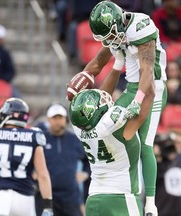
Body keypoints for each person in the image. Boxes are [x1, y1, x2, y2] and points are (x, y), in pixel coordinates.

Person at [81, 1, 168, 215]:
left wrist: (137, 101)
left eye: (110, 35)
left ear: (118, 23)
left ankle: (150, 203)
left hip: (152, 87)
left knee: (146, 145)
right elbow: (96, 64)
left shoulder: (140, 26)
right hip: (131, 87)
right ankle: (121, 189)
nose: (109, 41)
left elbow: (147, 72)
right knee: (107, 131)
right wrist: (80, 83)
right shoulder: (115, 32)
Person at [69, 87, 154, 216]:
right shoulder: (113, 125)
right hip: (121, 197)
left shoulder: (78, 127)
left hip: (93, 198)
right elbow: (150, 94)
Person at [0, 98, 53, 216]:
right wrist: (48, 206)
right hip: (25, 199)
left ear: (6, 115)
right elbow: (43, 175)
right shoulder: (34, 135)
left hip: (0, 197)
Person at [34, 103, 88, 216]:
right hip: (46, 196)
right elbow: (28, 159)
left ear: (65, 119)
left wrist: (85, 173)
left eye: (60, 117)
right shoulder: (40, 139)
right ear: (49, 119)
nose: (58, 121)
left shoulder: (74, 140)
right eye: (54, 118)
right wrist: (32, 173)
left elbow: (89, 159)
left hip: (70, 196)